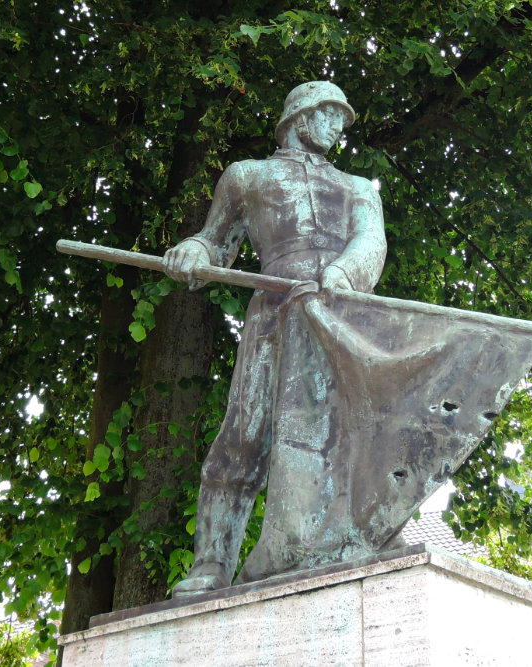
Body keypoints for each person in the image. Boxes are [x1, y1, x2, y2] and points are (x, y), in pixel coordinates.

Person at [164, 81, 386, 596]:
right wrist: (193, 252)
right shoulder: (247, 177)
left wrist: (345, 273)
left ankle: (350, 539)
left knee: (347, 434)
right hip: (273, 312)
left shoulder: (356, 187)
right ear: (300, 117)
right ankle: (212, 563)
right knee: (245, 432)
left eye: (340, 118)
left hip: (339, 315)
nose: (337, 127)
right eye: (329, 115)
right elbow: (214, 244)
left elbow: (370, 241)